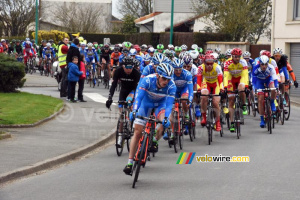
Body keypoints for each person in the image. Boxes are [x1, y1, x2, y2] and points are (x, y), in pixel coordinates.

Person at [123, 63, 175, 175]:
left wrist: (165, 118)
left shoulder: (171, 86)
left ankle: (155, 139)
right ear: (158, 75)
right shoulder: (147, 80)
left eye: (168, 79)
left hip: (160, 105)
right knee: (137, 132)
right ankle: (130, 162)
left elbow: (169, 105)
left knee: (166, 122)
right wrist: (135, 110)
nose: (166, 81)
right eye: (164, 78)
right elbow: (139, 96)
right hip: (145, 104)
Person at [223, 48, 249, 132]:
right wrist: (226, 87)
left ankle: (244, 105)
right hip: (231, 79)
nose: (237, 58)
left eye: (238, 56)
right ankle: (232, 122)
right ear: (232, 56)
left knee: (242, 88)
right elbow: (226, 75)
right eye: (235, 57)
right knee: (231, 101)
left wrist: (246, 86)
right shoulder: (227, 62)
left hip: (240, 78)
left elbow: (245, 75)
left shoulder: (243, 62)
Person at [197, 54, 223, 131]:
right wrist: (198, 89)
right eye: (207, 64)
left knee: (215, 102)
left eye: (211, 63)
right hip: (206, 83)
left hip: (216, 84)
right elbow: (199, 80)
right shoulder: (201, 68)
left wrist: (221, 89)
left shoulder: (217, 67)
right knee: (204, 97)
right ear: (204, 63)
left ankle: (218, 122)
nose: (209, 66)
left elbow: (220, 80)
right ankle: (204, 117)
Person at [252, 55, 277, 128]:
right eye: (262, 64)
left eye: (266, 64)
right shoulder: (256, 68)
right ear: (259, 63)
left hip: (268, 79)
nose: (264, 66)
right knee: (260, 99)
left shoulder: (271, 67)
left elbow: (275, 79)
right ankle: (262, 119)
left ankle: (272, 102)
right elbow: (253, 81)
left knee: (273, 88)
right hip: (259, 81)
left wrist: (276, 87)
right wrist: (255, 89)